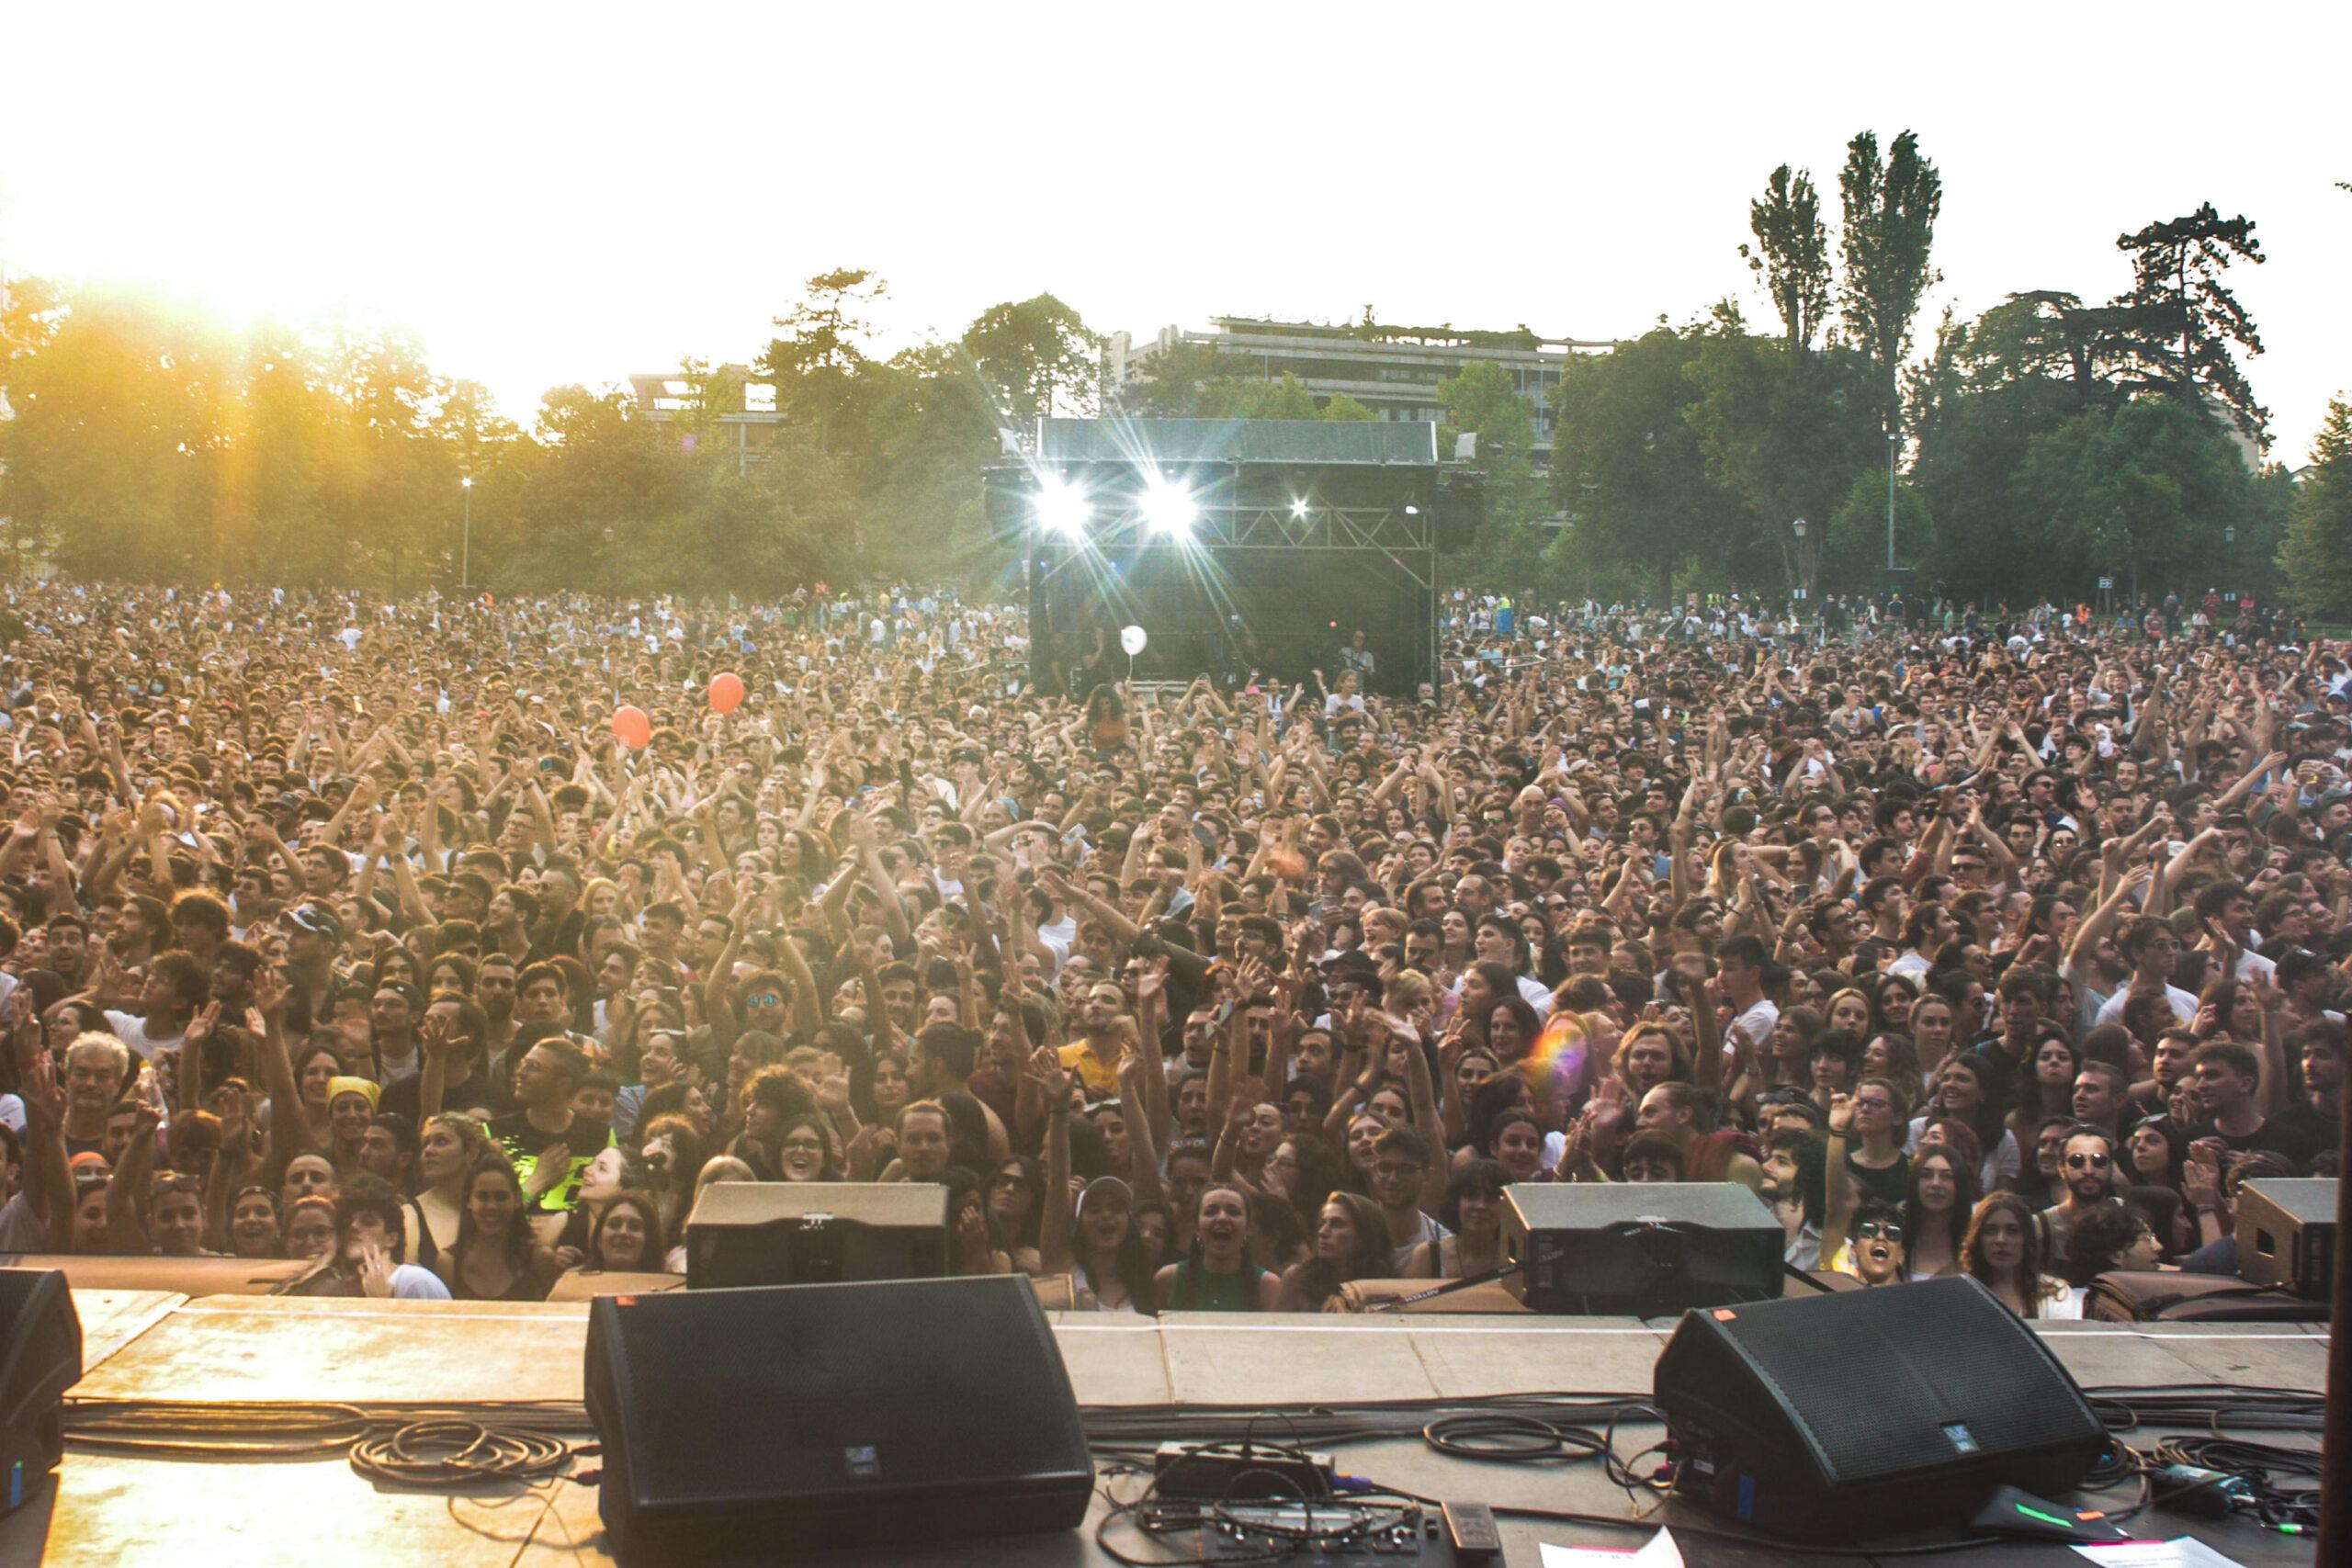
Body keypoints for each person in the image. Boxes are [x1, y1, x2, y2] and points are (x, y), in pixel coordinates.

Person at [1155, 1186, 1281, 1312]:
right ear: (1196, 1227)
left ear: (1248, 1228)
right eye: (1211, 1212)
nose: (1222, 1218)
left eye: (1233, 1212)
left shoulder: (1268, 1285)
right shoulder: (1169, 1279)